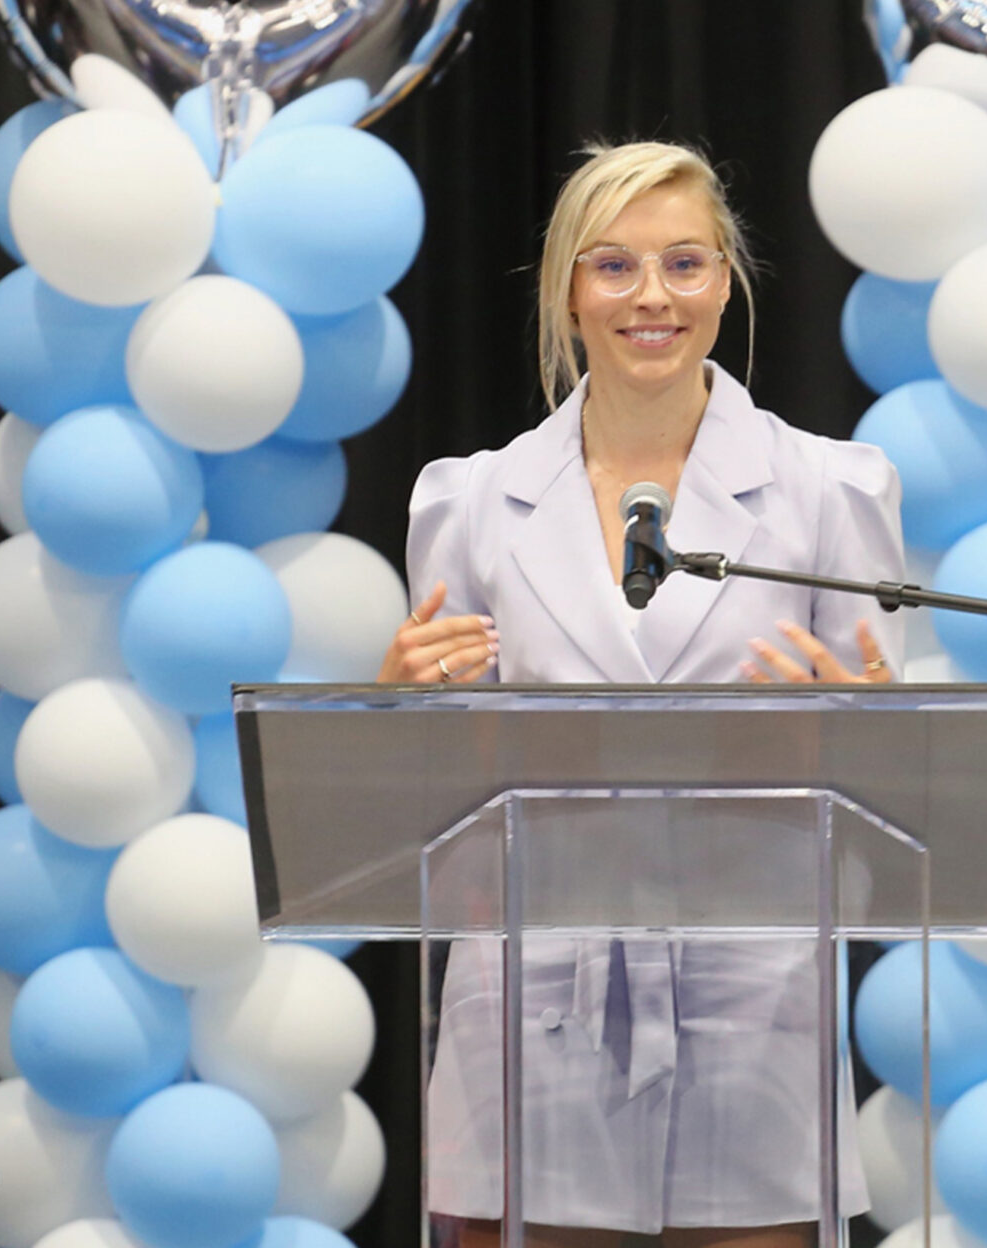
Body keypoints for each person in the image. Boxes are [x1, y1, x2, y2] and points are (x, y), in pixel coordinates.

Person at [397, 141, 905, 1244]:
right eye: (613, 266)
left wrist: (863, 725)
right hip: (533, 996)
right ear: (568, 293)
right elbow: (437, 793)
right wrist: (396, 705)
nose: (651, 298)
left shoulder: (829, 490)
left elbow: (888, 792)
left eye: (684, 262)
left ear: (727, 280)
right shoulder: (474, 501)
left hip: (751, 993)